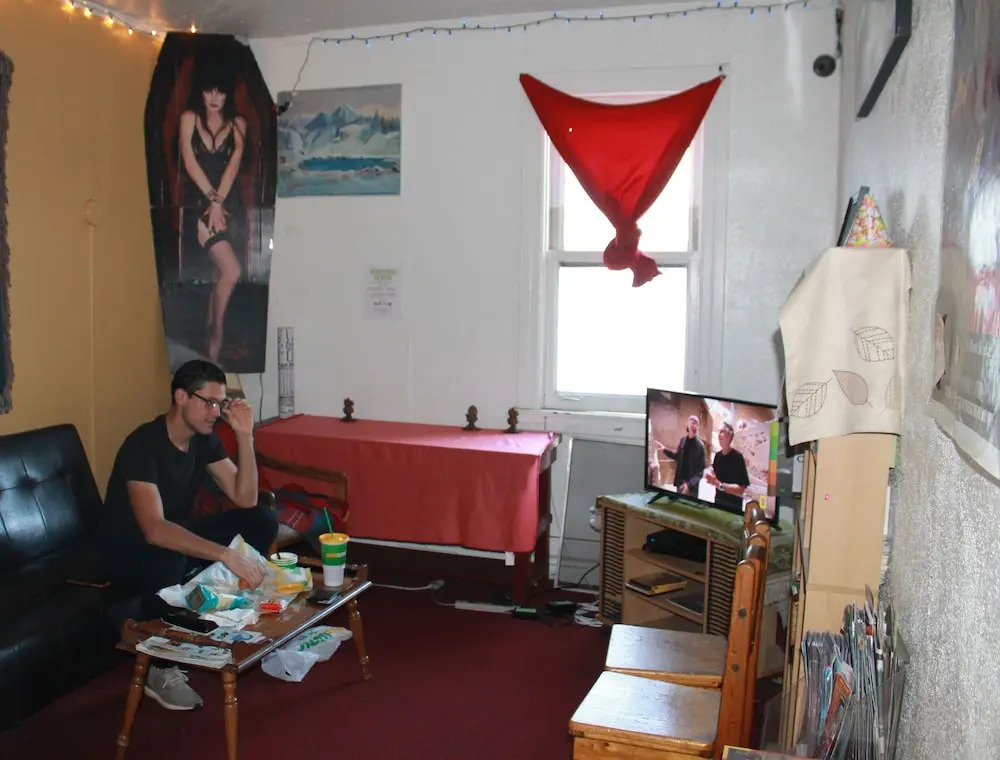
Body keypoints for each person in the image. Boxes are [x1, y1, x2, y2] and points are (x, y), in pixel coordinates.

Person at [100, 359, 276, 711]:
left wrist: (245, 436)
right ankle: (161, 666)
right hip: (129, 551)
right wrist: (226, 555)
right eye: (209, 402)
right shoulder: (143, 445)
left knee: (262, 519)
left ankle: (216, 596)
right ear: (181, 397)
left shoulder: (204, 440)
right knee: (169, 550)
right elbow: (154, 529)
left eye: (220, 403)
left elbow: (245, 498)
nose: (216, 412)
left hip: (172, 538)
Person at [178, 59, 247, 364]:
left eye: (220, 91)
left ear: (228, 93)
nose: (215, 97)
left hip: (228, 205)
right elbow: (190, 163)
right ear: (200, 92)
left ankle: (210, 338)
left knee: (222, 273)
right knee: (232, 271)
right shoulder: (189, 118)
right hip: (198, 204)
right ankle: (217, 332)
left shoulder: (238, 124)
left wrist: (219, 202)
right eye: (209, 91)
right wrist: (211, 201)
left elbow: (233, 168)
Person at [655, 414, 706, 498]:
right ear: (688, 425)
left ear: (698, 427)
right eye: (692, 423)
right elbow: (677, 456)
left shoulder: (700, 446)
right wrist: (665, 450)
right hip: (680, 483)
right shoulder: (683, 440)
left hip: (691, 488)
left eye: (696, 424)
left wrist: (689, 485)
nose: (694, 425)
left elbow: (700, 472)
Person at [705, 421, 751, 513]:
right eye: (719, 431)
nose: (719, 434)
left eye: (722, 431)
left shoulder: (738, 457)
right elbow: (715, 475)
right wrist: (711, 476)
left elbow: (741, 489)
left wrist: (720, 485)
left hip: (732, 508)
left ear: (730, 436)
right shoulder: (717, 456)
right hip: (718, 503)